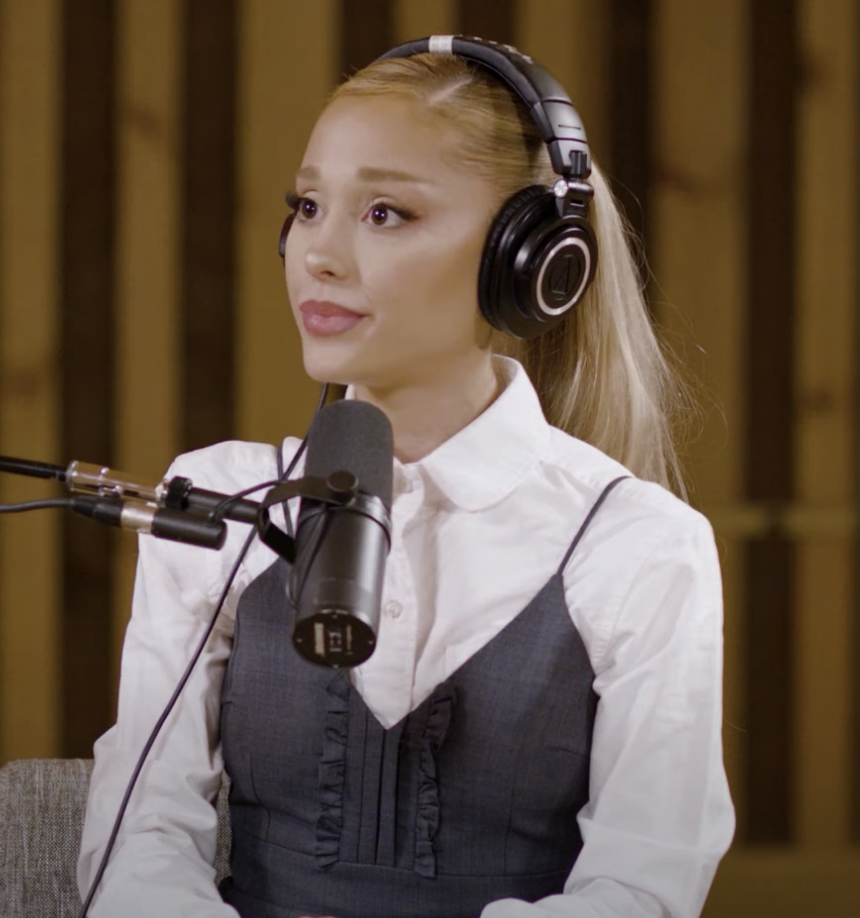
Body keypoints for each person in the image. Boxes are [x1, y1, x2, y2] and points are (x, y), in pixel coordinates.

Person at [77, 36, 734, 918]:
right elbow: (136, 844)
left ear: (531, 259)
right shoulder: (219, 507)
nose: (319, 253)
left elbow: (643, 890)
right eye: (308, 206)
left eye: (385, 213)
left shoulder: (641, 548)